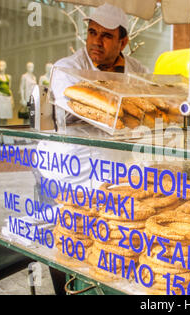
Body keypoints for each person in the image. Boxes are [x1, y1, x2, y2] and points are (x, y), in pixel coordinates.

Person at [43, 3, 148, 295]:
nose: (95, 42)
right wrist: (131, 107)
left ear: (123, 41)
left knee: (109, 247)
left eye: (105, 36)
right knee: (67, 246)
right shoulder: (67, 68)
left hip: (117, 171)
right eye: (91, 33)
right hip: (72, 172)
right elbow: (100, 113)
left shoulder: (137, 70)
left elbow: (147, 112)